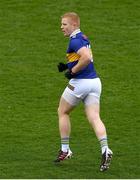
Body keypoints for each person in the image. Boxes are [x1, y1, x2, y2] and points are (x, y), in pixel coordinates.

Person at [54, 12, 113, 171]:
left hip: (80, 83)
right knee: (94, 117)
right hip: (95, 83)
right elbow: (86, 56)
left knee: (62, 111)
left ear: (74, 25)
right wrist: (67, 66)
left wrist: (72, 72)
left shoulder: (74, 41)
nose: (61, 27)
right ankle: (105, 149)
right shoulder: (84, 38)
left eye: (64, 24)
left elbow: (86, 58)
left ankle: (65, 149)